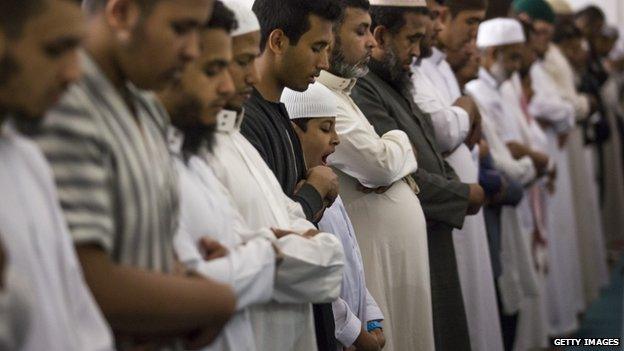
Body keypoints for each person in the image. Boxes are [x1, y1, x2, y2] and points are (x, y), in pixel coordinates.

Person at [33, 0, 237, 348]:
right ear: (122, 13)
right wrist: (218, 301)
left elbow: (150, 245)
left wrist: (185, 280)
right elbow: (85, 280)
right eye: (181, 29)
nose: (192, 50)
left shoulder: (146, 108)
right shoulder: (68, 104)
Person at [202, 2, 345, 350]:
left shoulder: (240, 133)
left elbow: (300, 231)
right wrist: (279, 249)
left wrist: (275, 248)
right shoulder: (243, 125)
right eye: (233, 63)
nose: (249, 75)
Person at [350, 1, 487, 349]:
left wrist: (456, 184)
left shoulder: (397, 80)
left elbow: (427, 148)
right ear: (380, 35)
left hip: (432, 234)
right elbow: (401, 169)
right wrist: (461, 194)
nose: (416, 51)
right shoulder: (364, 88)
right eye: (411, 39)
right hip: (411, 245)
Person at [156, 3, 278, 350]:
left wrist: (247, 258)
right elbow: (177, 294)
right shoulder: (149, 156)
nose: (228, 86)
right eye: (213, 69)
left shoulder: (192, 153)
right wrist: (267, 256)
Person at [317, 0, 436, 349]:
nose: (371, 42)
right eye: (360, 31)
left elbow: (384, 164)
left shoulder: (342, 91)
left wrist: (392, 151)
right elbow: (379, 165)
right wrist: (399, 140)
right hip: (373, 254)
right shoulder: (319, 95)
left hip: (390, 256)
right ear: (329, 36)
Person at [0, 0, 114, 349]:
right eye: (55, 50)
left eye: (76, 48)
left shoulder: (29, 160)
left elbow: (78, 318)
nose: (73, 73)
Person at [413, 2, 503, 350]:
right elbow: (442, 130)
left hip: (466, 211)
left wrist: (463, 107)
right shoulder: (416, 67)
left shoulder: (438, 67)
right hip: (452, 211)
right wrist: (467, 105)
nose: (473, 32)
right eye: (469, 21)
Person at [282, 82, 387, 351]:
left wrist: (372, 319)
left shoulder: (327, 182)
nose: (337, 138)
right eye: (326, 128)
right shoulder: (298, 196)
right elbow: (320, 284)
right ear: (294, 132)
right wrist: (357, 335)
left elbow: (352, 260)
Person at [513, 0, 587, 339]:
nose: (541, 41)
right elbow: (555, 109)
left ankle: (555, 326)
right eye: (536, 34)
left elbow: (564, 110)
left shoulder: (541, 65)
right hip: (528, 177)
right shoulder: (515, 74)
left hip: (547, 168)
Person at [241, 0, 342, 224]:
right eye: (316, 48)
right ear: (278, 42)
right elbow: (270, 226)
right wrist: (315, 190)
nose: (324, 63)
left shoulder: (278, 114)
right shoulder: (244, 120)